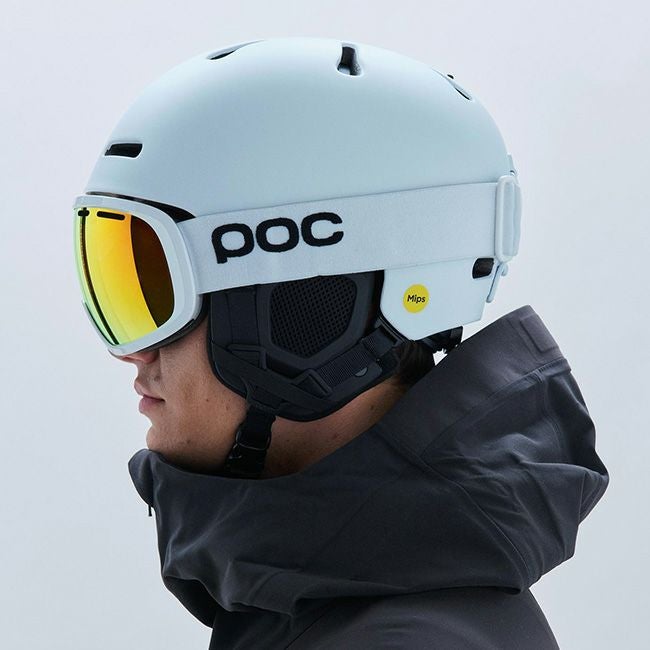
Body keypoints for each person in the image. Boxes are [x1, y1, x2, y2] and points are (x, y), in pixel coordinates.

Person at [73, 37, 609, 649]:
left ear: (305, 316)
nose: (133, 352)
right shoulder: (318, 602)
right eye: (117, 286)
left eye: (155, 293)